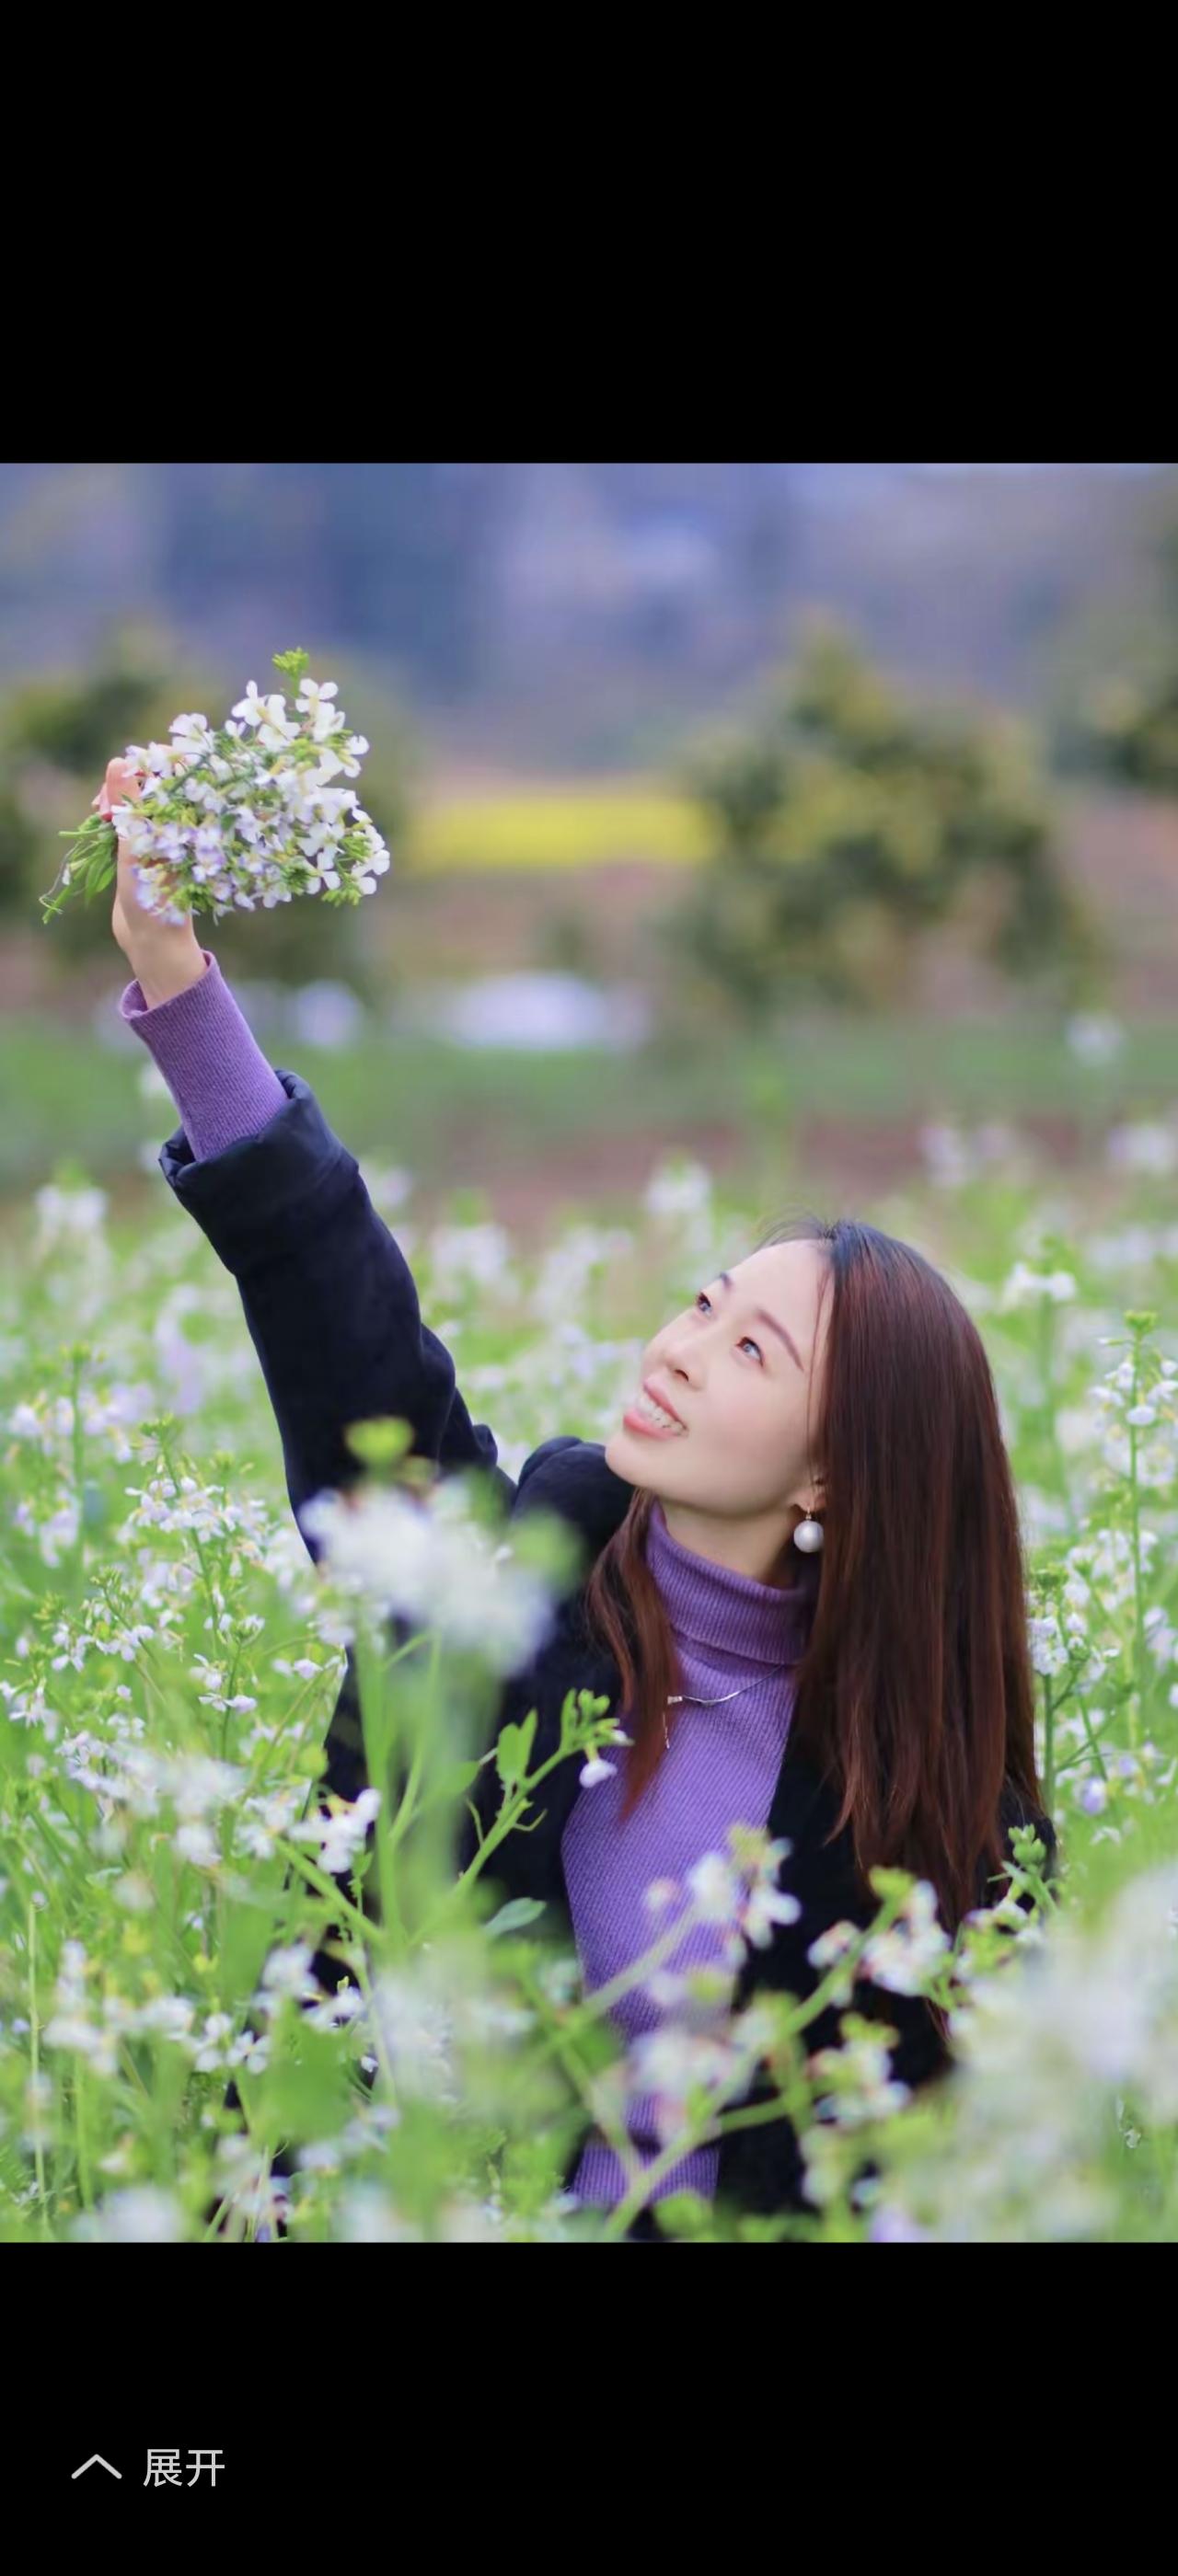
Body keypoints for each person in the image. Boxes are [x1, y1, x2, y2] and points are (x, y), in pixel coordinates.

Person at [102, 755, 1059, 2242]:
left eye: (752, 1348)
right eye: (701, 1300)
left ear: (836, 1468)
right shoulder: (525, 1577)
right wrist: (179, 983)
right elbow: (347, 1335)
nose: (680, 1347)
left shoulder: (939, 1816)